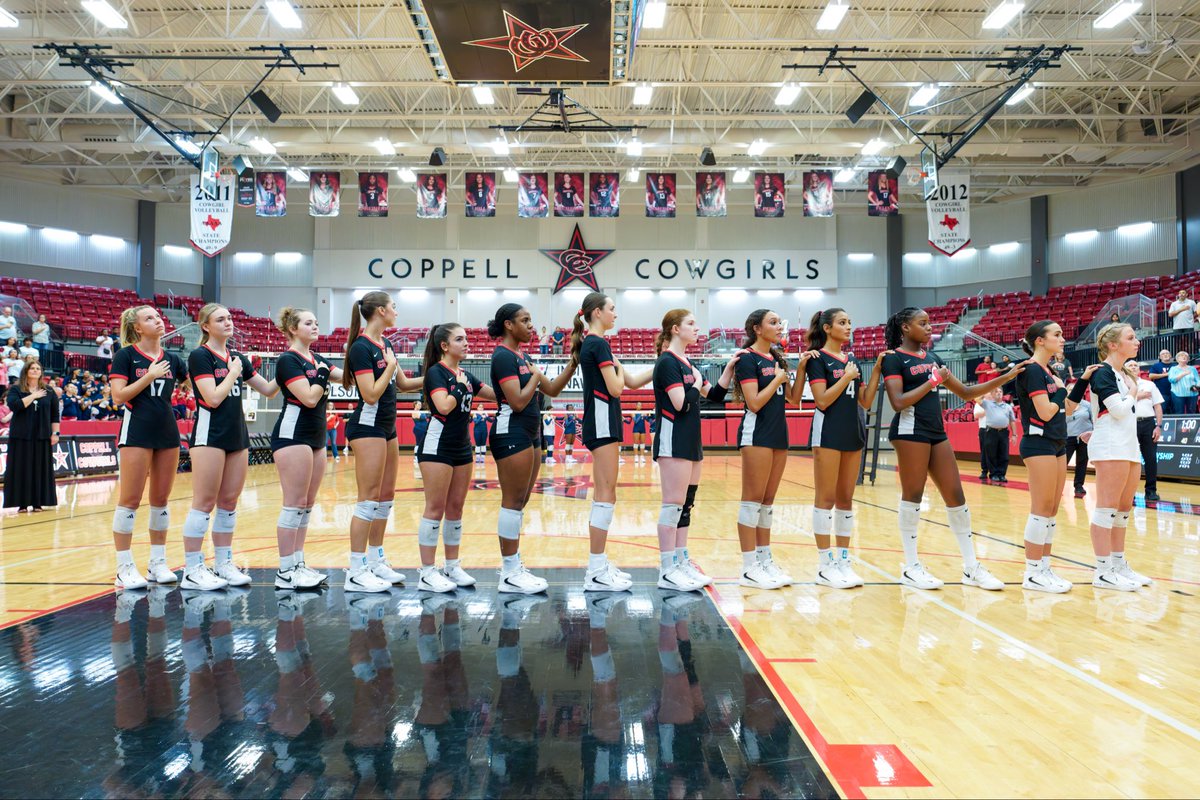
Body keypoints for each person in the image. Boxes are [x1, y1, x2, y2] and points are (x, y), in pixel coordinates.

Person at [881, 307, 1018, 590]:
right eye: (923, 323)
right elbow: (897, 401)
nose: (930, 328)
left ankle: (971, 566)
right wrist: (933, 381)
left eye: (930, 323)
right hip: (910, 431)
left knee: (956, 496)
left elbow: (967, 393)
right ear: (905, 328)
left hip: (936, 432)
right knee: (913, 496)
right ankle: (911, 566)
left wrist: (1006, 376)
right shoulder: (893, 359)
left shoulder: (933, 357)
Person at [184, 303, 280, 591]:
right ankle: (192, 568)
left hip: (237, 435)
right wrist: (232, 372)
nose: (228, 323)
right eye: (220, 319)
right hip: (209, 435)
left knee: (228, 504)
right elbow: (212, 398)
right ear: (205, 325)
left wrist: (289, 365)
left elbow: (268, 389)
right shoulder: (200, 356)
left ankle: (223, 563)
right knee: (203, 503)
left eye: (229, 318)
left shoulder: (237, 357)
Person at [486, 303, 577, 594]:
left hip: (529, 433)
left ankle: (514, 565)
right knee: (512, 502)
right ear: (508, 325)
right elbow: (518, 401)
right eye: (525, 320)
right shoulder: (502, 356)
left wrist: (573, 362)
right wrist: (537, 376)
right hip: (509, 431)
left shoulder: (523, 356)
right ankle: (510, 572)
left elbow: (551, 391)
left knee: (521, 501)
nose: (531, 326)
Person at [341, 291, 425, 593]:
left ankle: (376, 560)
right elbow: (370, 394)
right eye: (393, 308)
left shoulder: (385, 344)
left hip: (386, 427)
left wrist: (440, 373)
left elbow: (402, 384)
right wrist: (390, 367)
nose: (396, 313)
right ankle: (356, 569)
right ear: (380, 311)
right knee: (368, 498)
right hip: (367, 426)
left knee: (385, 498)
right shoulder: (361, 348)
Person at [573, 291, 654, 592]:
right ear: (596, 313)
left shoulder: (596, 344)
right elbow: (618, 388)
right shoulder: (597, 343)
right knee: (604, 494)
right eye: (611, 309)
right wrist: (619, 371)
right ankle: (595, 569)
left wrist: (663, 367)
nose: (615, 314)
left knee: (607, 494)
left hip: (605, 422)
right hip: (603, 421)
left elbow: (630, 381)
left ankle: (599, 563)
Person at [651, 309, 737, 592]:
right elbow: (680, 403)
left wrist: (727, 371)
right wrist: (698, 382)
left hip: (691, 441)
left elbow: (714, 397)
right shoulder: (667, 363)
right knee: (672, 504)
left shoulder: (690, 365)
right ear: (676, 329)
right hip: (673, 440)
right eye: (691, 324)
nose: (696, 328)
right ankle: (667, 569)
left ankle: (680, 560)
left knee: (686, 504)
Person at [806, 307, 890, 589]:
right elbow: (822, 401)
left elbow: (864, 401)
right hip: (828, 433)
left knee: (845, 500)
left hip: (853, 432)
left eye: (850, 322)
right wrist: (844, 377)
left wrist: (876, 369)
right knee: (825, 498)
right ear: (827, 328)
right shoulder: (818, 359)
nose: (849, 326)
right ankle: (823, 564)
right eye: (842, 322)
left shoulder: (851, 359)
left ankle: (843, 560)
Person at [107, 305, 189, 590]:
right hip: (136, 431)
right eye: (150, 318)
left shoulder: (174, 359)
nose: (158, 321)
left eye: (158, 316)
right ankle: (124, 566)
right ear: (137, 328)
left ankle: (158, 562)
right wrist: (149, 376)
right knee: (129, 500)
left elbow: (193, 386)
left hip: (167, 431)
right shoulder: (125, 356)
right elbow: (118, 397)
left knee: (161, 500)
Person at [734, 309, 814, 589]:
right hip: (756, 433)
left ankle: (764, 559)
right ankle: (748, 567)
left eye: (780, 322)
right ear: (757, 328)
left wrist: (800, 368)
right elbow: (753, 402)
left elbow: (793, 399)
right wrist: (779, 380)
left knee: (767, 503)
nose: (779, 326)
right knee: (751, 501)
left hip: (779, 433)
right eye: (773, 322)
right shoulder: (747, 359)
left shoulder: (776, 358)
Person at [1068, 322, 1151, 590]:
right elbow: (1117, 410)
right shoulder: (1102, 373)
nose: (1136, 341)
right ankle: (1103, 571)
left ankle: (1119, 565)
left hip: (1128, 445)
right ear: (1113, 345)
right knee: (1106, 509)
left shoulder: (1123, 372)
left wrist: (1132, 389)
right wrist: (1135, 392)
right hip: (1111, 445)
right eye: (1131, 337)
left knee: (1123, 510)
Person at [416, 323, 497, 592]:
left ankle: (452, 566)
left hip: (463, 447)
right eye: (459, 339)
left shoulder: (466, 375)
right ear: (444, 346)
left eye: (466, 338)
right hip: (437, 447)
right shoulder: (436, 373)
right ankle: (427, 572)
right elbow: (442, 406)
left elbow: (497, 395)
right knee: (435, 509)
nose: (466, 343)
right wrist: (460, 389)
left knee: (456, 509)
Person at [270, 307, 341, 591]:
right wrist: (323, 373)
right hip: (292, 435)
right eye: (308, 323)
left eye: (316, 322)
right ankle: (286, 570)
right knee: (294, 504)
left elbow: (346, 376)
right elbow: (310, 398)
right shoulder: (288, 360)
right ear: (292, 329)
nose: (315, 326)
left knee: (307, 505)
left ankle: (298, 563)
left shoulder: (317, 359)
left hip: (315, 437)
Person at [1014, 321, 1078, 593]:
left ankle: (1045, 567)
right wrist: (1061, 388)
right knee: (1041, 509)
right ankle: (1032, 572)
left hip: (1058, 442)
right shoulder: (1031, 371)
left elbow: (1068, 410)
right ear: (1040, 341)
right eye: (1057, 335)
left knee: (1052, 509)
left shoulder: (1049, 371)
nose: (1062, 339)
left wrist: (1081, 381)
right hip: (1037, 442)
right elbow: (1045, 412)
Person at [3, 360, 59, 512]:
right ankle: (22, 503)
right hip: (21, 436)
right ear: (26, 371)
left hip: (42, 436)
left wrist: (55, 433)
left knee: (39, 469)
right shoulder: (16, 389)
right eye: (32, 368)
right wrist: (33, 395)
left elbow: (55, 414)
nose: (35, 370)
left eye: (38, 368)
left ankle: (37, 502)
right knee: (21, 468)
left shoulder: (49, 391)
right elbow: (15, 406)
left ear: (41, 372)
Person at [1128, 358, 1164, 502]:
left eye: (1135, 365)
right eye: (1130, 365)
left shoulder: (1149, 384)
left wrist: (1158, 426)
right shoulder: (1122, 385)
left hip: (1148, 423)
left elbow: (1158, 406)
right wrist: (1139, 396)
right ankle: (1129, 492)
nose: (1133, 367)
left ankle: (1151, 491)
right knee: (1129, 459)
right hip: (1129, 424)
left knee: (1150, 459)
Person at [979, 388, 1018, 483]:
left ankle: (1002, 474)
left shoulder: (1007, 406)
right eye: (996, 391)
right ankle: (994, 474)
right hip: (991, 432)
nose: (998, 393)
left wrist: (1014, 434)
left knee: (1004, 454)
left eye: (1000, 392)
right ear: (992, 394)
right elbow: (976, 398)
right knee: (991, 454)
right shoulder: (987, 403)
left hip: (1004, 432)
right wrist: (986, 389)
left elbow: (1012, 421)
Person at [1065, 381, 1092, 498]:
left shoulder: (1087, 405)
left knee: (1082, 462)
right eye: (1070, 390)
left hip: (1084, 438)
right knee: (1062, 463)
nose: (1073, 391)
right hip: (1067, 438)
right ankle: (1057, 484)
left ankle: (1079, 485)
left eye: (1074, 389)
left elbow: (1094, 420)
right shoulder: (1063, 405)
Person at [1146, 349, 1174, 415]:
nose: (1165, 355)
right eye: (1163, 354)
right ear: (1160, 357)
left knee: (1174, 412)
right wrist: (1166, 374)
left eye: (1167, 353)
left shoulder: (1175, 365)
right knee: (1162, 411)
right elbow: (1151, 376)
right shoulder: (1156, 366)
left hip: (1175, 393)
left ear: (1170, 356)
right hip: (1162, 393)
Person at [1168, 289, 1196, 354]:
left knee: (1190, 342)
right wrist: (1182, 309)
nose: (1181, 294)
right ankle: (1178, 356)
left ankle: (1191, 356)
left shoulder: (1191, 302)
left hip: (1189, 326)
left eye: (1183, 293)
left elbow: (1196, 312)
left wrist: (1191, 318)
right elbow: (1170, 314)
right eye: (1180, 293)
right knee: (1178, 343)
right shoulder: (1174, 304)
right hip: (1177, 326)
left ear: (1186, 294)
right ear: (1178, 295)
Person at [973, 396, 990, 481]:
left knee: (995, 451)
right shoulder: (979, 403)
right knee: (984, 451)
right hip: (984, 428)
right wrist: (988, 410)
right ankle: (984, 471)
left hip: (994, 428)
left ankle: (995, 472)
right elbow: (976, 415)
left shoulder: (996, 403)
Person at [411, 400, 429, 464]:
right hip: (419, 429)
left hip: (423, 429)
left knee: (423, 443)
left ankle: (422, 456)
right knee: (418, 443)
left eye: (420, 405)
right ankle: (416, 458)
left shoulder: (420, 411)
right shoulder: (414, 412)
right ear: (415, 405)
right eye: (418, 404)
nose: (420, 405)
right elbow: (423, 417)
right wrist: (428, 414)